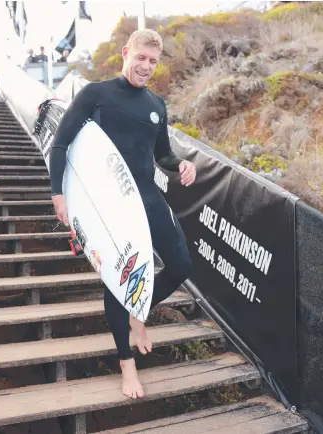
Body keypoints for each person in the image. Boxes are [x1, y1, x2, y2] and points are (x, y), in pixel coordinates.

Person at [47, 29, 196, 399]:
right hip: (108, 202)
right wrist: (58, 194)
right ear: (126, 53)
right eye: (140, 58)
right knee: (118, 277)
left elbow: (161, 154)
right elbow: (62, 142)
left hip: (146, 195)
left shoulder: (156, 105)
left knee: (181, 266)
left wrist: (180, 166)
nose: (146, 66)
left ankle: (139, 313)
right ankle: (126, 364)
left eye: (153, 62)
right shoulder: (97, 95)